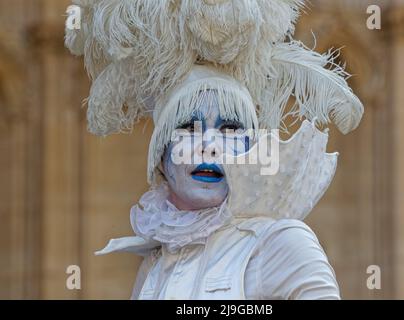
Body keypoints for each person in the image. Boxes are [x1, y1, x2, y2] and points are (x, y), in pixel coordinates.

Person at [65, 0, 364, 300]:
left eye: (230, 130)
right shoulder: (154, 265)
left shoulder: (278, 243)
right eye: (188, 128)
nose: (209, 146)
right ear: (160, 158)